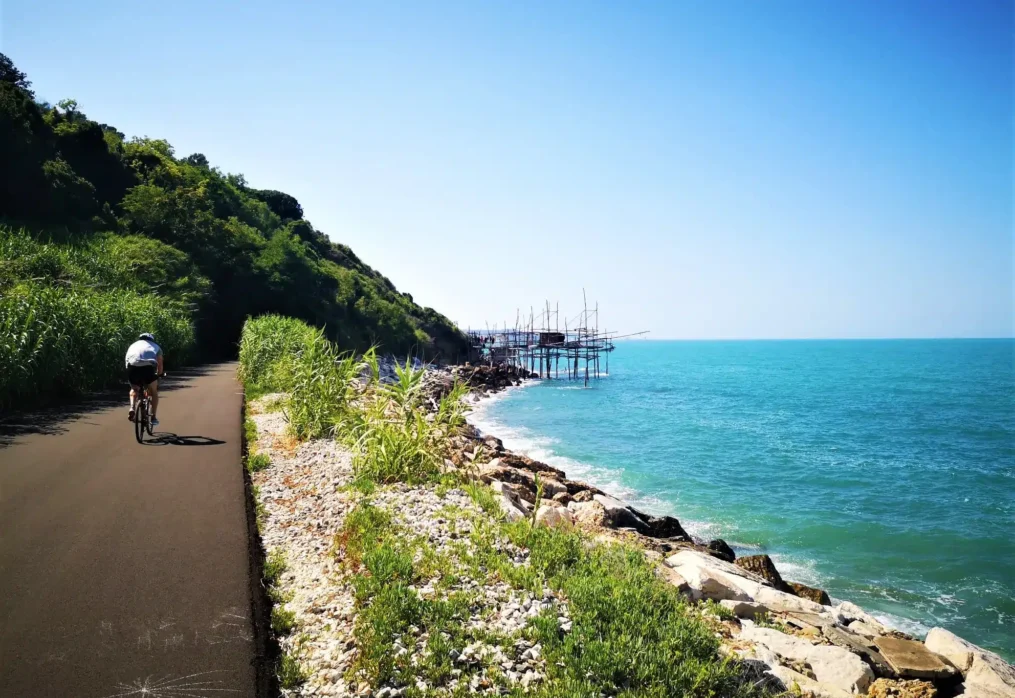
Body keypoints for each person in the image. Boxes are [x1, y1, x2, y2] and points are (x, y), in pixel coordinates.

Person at [125, 333, 164, 427]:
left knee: (134, 388)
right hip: (148, 368)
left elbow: (127, 360)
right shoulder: (156, 346)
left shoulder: (133, 345)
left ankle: (132, 408)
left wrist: (130, 372)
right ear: (151, 339)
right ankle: (154, 417)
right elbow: (160, 364)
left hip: (132, 367)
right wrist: (159, 375)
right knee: (154, 391)